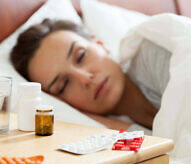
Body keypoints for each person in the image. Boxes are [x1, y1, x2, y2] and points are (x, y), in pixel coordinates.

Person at [10, 19, 167, 130]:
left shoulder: (153, 52)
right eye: (63, 85)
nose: (85, 78)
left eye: (81, 56)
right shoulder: (107, 130)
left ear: (100, 43)